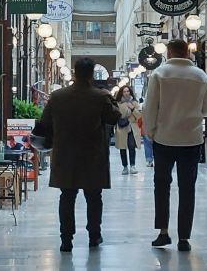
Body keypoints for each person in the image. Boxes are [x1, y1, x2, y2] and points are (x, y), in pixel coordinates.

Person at [33, 57, 121, 252]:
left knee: (67, 196)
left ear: (74, 72)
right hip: (93, 154)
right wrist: (111, 98)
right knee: (94, 196)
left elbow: (45, 122)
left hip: (65, 154)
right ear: (91, 74)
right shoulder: (100, 97)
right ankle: (94, 235)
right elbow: (114, 118)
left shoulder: (58, 96)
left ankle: (66, 239)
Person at [143, 38, 207, 252]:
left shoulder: (159, 74)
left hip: (164, 139)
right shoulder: (200, 76)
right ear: (187, 53)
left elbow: (150, 107)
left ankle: (163, 232)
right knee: (187, 188)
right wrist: (195, 114)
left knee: (162, 186)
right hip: (191, 140)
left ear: (168, 53)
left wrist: (150, 132)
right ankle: (184, 237)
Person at [115, 85, 143, 174]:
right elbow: (118, 115)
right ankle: (125, 166)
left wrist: (132, 108)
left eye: (128, 91)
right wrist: (125, 108)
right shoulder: (118, 103)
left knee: (131, 146)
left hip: (132, 127)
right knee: (122, 147)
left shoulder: (134, 102)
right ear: (121, 93)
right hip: (122, 127)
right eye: (124, 91)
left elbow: (139, 115)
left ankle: (132, 166)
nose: (126, 93)